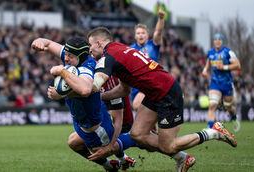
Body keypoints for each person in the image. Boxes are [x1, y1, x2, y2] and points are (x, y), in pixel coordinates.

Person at [87, 27, 237, 171]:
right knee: (137, 134)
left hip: (167, 92)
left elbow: (96, 83)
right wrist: (100, 97)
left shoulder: (109, 56)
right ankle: (183, 158)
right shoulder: (118, 50)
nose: (89, 50)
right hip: (155, 93)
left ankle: (214, 132)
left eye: (90, 45)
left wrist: (84, 92)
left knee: (168, 146)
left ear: (99, 43)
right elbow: (124, 90)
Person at [31, 37, 137, 171]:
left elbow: (85, 90)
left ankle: (138, 137)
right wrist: (40, 41)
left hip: (95, 125)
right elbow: (50, 44)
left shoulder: (88, 68)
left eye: (70, 56)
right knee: (73, 143)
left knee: (98, 148)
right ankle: (111, 165)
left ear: (81, 57)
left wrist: (61, 74)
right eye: (66, 54)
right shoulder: (72, 56)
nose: (66, 58)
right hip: (83, 118)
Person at [202, 33, 241, 132]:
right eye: (215, 39)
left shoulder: (228, 52)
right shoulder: (210, 52)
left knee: (228, 107)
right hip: (215, 82)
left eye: (219, 39)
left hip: (226, 83)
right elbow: (208, 62)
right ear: (213, 41)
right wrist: (205, 70)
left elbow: (238, 65)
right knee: (212, 105)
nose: (217, 41)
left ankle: (234, 118)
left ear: (222, 41)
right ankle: (210, 129)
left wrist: (224, 67)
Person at [130, 9, 165, 111]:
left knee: (137, 104)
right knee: (139, 108)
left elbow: (158, 32)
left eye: (143, 33)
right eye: (138, 33)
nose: (141, 35)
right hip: (136, 86)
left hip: (151, 82)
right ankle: (151, 126)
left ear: (147, 35)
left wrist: (161, 18)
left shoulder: (152, 45)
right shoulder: (130, 49)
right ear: (135, 36)